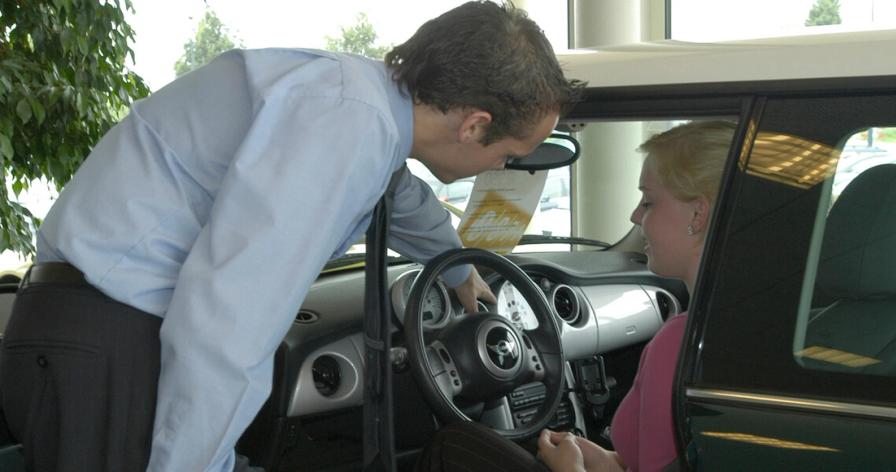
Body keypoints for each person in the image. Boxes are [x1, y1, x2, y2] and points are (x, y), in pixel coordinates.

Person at [0, 1, 585, 471]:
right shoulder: (345, 123)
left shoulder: (364, 113)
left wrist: (460, 271)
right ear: (475, 123)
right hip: (107, 336)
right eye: (509, 155)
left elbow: (402, 198)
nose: (499, 169)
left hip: (99, 328)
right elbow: (228, 319)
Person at [417, 120, 735, 472]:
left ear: (697, 213)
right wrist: (610, 462)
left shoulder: (681, 345)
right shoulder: (740, 323)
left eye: (648, 201)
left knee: (452, 445)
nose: (635, 215)